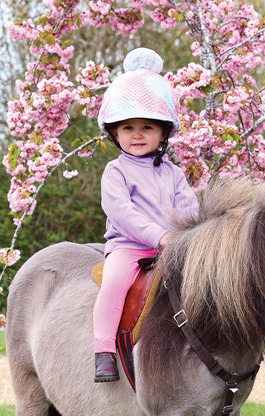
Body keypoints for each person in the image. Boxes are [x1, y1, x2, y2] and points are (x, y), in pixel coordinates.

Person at [93, 48, 199, 383]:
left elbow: (188, 209)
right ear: (115, 133)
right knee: (113, 284)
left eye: (147, 127)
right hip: (129, 248)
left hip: (172, 250)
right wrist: (160, 236)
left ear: (164, 133)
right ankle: (104, 350)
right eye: (127, 128)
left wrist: (189, 237)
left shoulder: (173, 173)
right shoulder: (115, 171)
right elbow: (121, 212)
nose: (137, 135)